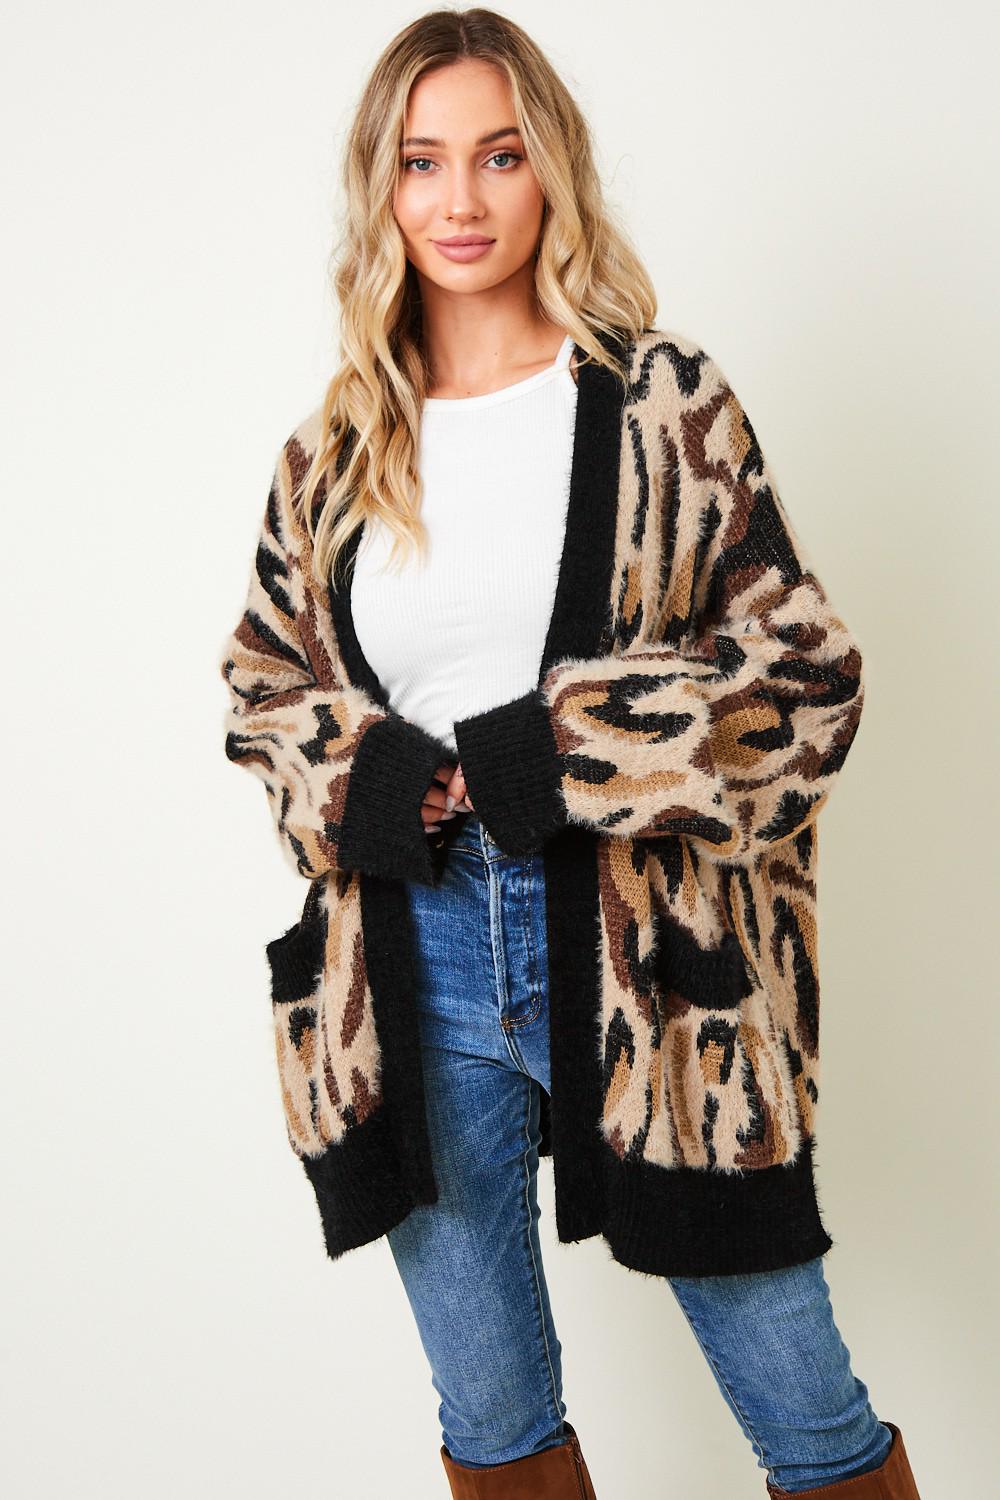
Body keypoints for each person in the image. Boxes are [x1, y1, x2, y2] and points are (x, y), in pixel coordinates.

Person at [218, 9, 922, 1497]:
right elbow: (263, 690)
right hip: (409, 956)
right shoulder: (335, 450)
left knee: (806, 1409)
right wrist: (388, 783)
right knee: (493, 1421)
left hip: (654, 953)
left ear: (552, 172)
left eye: (499, 155)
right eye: (422, 162)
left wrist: (563, 755)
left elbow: (811, 681)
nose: (460, 201)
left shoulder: (665, 405)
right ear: (381, 186)